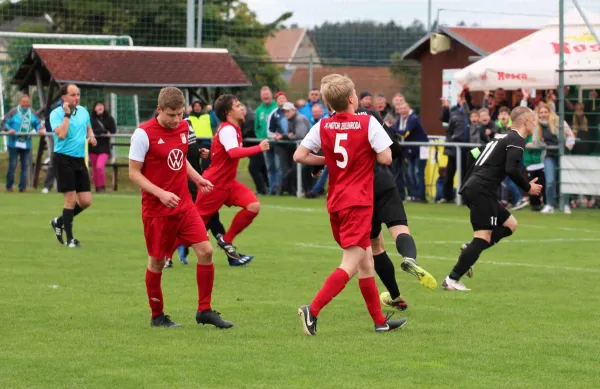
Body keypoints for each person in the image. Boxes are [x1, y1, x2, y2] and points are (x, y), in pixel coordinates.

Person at [293, 74, 407, 335]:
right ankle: (313, 309)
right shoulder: (367, 122)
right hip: (358, 202)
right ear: (352, 98)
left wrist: (329, 161)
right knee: (351, 262)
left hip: (336, 202)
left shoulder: (323, 125)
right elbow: (387, 158)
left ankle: (379, 322)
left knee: (366, 262)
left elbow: (299, 155)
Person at [128, 87, 233, 328]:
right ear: (159, 110)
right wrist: (160, 193)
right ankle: (158, 316)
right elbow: (134, 173)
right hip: (157, 210)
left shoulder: (185, 127)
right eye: (171, 115)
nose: (176, 120)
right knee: (156, 262)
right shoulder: (143, 134)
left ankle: (204, 310)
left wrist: (198, 178)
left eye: (179, 114)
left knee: (206, 251)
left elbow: (179, 159)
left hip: (184, 206)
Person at [442, 106, 543, 291]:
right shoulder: (517, 140)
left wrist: (469, 180)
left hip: (478, 189)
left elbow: (472, 153)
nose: (535, 124)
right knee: (482, 238)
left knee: (510, 224)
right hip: (482, 190)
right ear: (527, 121)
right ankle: (452, 279)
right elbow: (511, 169)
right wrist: (528, 187)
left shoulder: (501, 137)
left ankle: (470, 251)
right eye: (534, 120)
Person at [353, 107, 437, 312]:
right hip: (383, 181)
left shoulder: (335, 122)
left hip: (361, 188)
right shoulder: (369, 115)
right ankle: (409, 259)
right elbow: (395, 149)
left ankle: (396, 296)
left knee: (376, 246)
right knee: (399, 229)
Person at [166, 116, 254, 268]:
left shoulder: (187, 122)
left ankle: (229, 251)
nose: (178, 113)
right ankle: (168, 251)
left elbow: (190, 147)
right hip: (186, 181)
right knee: (201, 221)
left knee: (208, 219)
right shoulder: (168, 124)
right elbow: (171, 152)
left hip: (199, 177)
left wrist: (200, 152)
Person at [195, 94, 270, 264]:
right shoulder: (228, 128)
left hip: (227, 182)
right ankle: (165, 252)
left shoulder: (232, 128)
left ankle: (226, 240)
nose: (241, 107)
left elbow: (220, 154)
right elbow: (233, 152)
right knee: (196, 226)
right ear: (229, 112)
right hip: (214, 185)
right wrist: (259, 148)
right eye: (237, 105)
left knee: (253, 206)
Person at [49, 84, 96, 248]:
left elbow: (88, 127)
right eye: (72, 95)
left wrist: (91, 136)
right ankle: (70, 240)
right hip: (63, 160)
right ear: (64, 97)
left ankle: (59, 221)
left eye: (78, 94)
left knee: (86, 201)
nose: (76, 98)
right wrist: (67, 115)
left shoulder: (83, 111)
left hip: (79, 159)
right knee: (70, 199)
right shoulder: (56, 114)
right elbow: (61, 134)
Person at [4, 94, 44, 192]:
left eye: (27, 102)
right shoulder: (13, 112)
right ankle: (9, 186)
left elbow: (37, 123)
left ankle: (22, 187)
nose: (26, 104)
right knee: (12, 165)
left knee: (25, 166)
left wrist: (40, 129)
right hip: (13, 143)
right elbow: (4, 123)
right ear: (19, 102)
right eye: (24, 102)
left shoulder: (32, 112)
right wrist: (9, 129)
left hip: (26, 144)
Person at [89, 101, 117, 193]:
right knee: (94, 168)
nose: (100, 107)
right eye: (97, 105)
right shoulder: (90, 119)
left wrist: (108, 133)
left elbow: (113, 130)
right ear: (94, 108)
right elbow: (90, 130)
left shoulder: (109, 119)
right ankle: (97, 187)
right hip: (93, 147)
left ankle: (101, 187)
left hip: (104, 147)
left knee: (99, 166)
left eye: (101, 105)